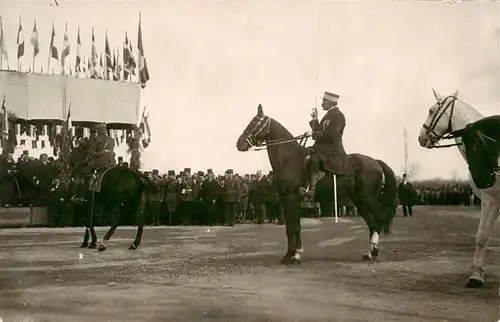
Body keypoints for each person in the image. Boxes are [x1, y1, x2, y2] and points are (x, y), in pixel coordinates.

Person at [306, 91, 351, 197]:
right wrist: (315, 119)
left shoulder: (339, 116)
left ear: (330, 103)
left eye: (324, 101)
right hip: (322, 147)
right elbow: (319, 131)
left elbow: (332, 133)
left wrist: (313, 133)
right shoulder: (328, 115)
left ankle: (312, 190)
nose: (322, 103)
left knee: (314, 160)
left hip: (332, 149)